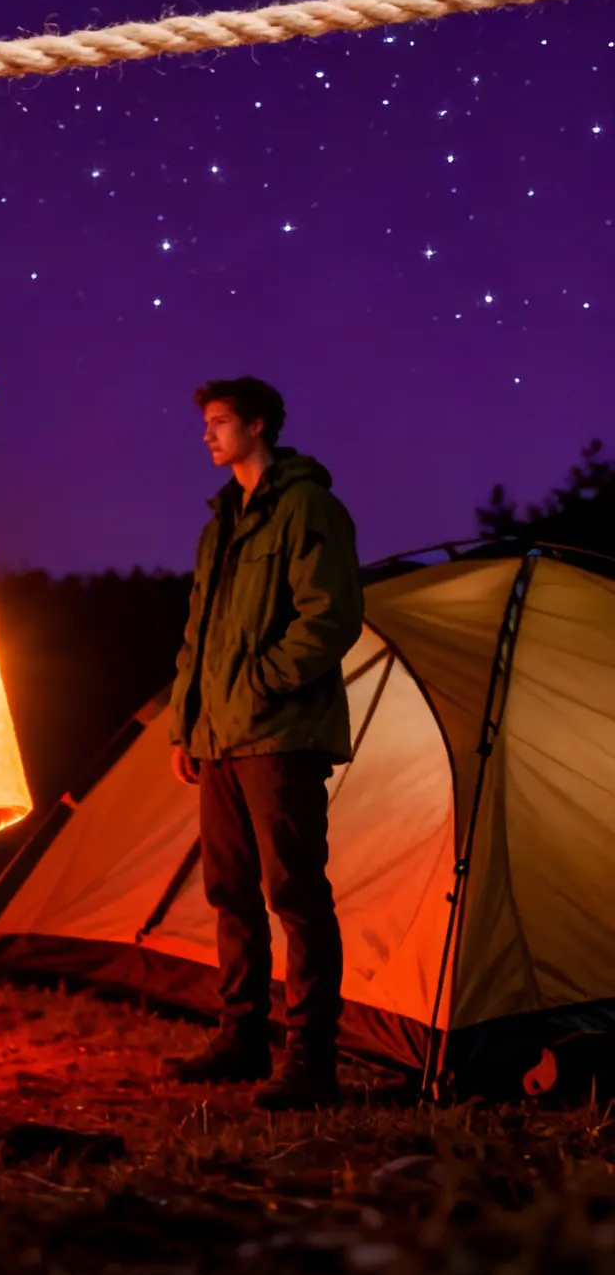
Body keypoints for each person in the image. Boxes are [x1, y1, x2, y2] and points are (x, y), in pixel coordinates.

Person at [162, 376, 363, 1111]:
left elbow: (329, 616)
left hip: (278, 736)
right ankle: (242, 1038)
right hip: (218, 740)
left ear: (257, 425)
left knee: (296, 894)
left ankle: (313, 1060)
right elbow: (200, 636)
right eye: (205, 423)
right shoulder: (221, 525)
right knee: (229, 893)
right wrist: (187, 724)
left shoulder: (308, 508)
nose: (208, 436)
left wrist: (260, 685)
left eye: (219, 423)